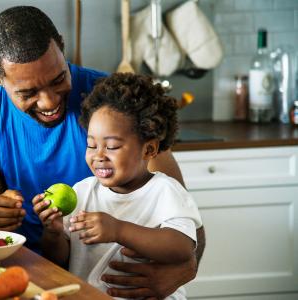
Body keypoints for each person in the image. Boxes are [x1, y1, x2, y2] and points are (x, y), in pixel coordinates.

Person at [0, 6, 206, 299]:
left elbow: (186, 223)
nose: (48, 102)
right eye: (28, 92)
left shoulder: (115, 104)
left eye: (58, 79)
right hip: (22, 277)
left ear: (61, 46)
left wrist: (185, 270)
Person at [33, 73, 203, 299]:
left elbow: (182, 247)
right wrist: (53, 233)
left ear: (149, 150)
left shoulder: (165, 191)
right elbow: (60, 260)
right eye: (91, 145)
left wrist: (118, 230)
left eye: (111, 147)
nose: (98, 156)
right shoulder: (82, 192)